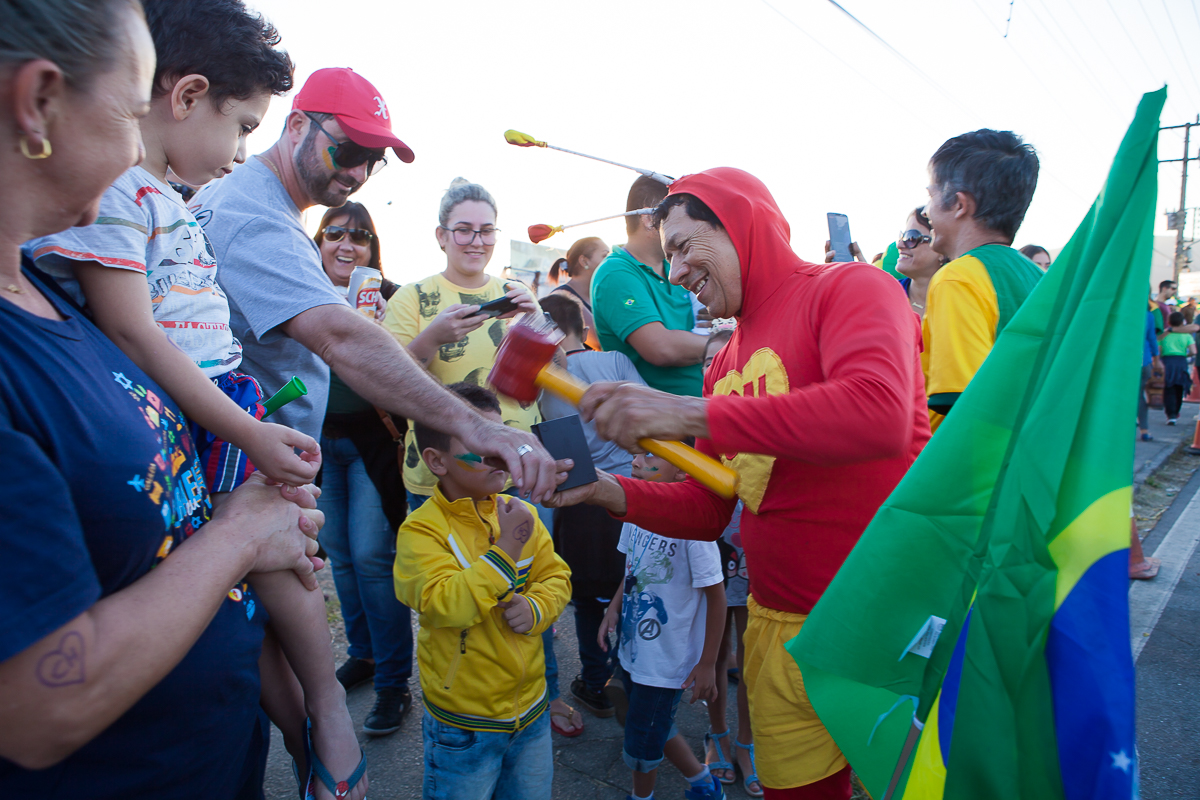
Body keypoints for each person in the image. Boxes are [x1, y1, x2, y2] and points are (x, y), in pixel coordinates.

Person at [25, 3, 367, 796]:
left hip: (217, 398)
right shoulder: (120, 195)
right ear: (186, 97)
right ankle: (322, 713)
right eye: (241, 127)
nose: (242, 152)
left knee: (266, 573)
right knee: (277, 557)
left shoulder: (163, 197)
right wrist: (248, 430)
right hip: (201, 405)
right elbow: (137, 334)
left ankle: (310, 724)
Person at [548, 167, 931, 799]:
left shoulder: (852, 286)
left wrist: (687, 413)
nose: (675, 272)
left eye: (682, 246)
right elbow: (709, 505)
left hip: (887, 619)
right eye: (667, 255)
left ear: (740, 223)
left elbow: (879, 414)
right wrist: (601, 492)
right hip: (776, 627)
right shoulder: (723, 359)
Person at [190, 67, 560, 509]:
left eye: (373, 160)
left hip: (251, 463)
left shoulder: (242, 198)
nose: (358, 172)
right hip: (239, 473)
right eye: (349, 150)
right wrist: (476, 425)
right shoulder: (258, 219)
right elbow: (340, 337)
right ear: (297, 125)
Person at [393, 383, 571, 800]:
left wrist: (537, 608)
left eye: (502, 439)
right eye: (482, 446)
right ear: (436, 461)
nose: (501, 456)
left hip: (532, 711)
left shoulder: (520, 515)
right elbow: (443, 604)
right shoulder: (420, 532)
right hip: (464, 725)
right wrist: (507, 548)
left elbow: (557, 577)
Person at [313, 202, 416, 737]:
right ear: (317, 241)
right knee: (342, 555)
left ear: (373, 249)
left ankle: (395, 681)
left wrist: (380, 329)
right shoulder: (299, 289)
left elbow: (411, 367)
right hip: (319, 443)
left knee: (374, 555)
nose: (346, 245)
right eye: (334, 234)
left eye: (359, 237)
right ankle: (365, 655)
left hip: (374, 442)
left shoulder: (391, 297)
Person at [381, 178, 541, 511]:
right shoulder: (412, 297)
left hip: (518, 469)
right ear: (442, 236)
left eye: (487, 231)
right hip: (443, 478)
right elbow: (387, 381)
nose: (477, 242)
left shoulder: (514, 293)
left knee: (527, 547)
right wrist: (434, 337)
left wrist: (538, 322)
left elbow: (555, 372)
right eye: (464, 230)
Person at [538, 294, 644, 727]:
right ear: (583, 329)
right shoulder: (615, 361)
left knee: (586, 600)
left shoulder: (542, 380)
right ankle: (633, 679)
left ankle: (596, 682)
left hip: (578, 498)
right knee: (631, 590)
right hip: (629, 494)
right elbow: (645, 411)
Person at [598, 449, 727, 800]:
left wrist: (708, 663)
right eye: (635, 453)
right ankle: (702, 782)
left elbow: (717, 599)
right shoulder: (635, 513)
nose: (636, 462)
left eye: (650, 455)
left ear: (683, 473)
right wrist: (613, 609)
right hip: (633, 649)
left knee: (641, 745)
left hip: (665, 662)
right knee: (652, 725)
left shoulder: (694, 530)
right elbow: (632, 570)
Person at [921, 129, 1043, 432]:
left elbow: (963, 409)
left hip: (967, 459)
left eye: (931, 196)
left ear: (959, 205)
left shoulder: (957, 278)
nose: (926, 211)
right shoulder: (1039, 278)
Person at [697, 331, 761, 798]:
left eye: (720, 361)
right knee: (717, 653)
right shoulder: (696, 424)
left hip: (753, 557)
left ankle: (746, 743)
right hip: (712, 557)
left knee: (751, 655)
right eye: (706, 361)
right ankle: (717, 735)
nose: (713, 369)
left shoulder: (760, 419)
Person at [592, 175, 708, 397]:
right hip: (665, 416)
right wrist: (724, 345)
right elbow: (661, 348)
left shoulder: (673, 266)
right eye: (677, 215)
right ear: (649, 218)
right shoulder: (615, 273)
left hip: (702, 407)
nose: (686, 226)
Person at [549, 236, 608, 350]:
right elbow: (602, 343)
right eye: (605, 256)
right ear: (584, 261)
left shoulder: (598, 295)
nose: (610, 261)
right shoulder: (563, 298)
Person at [894, 207, 945, 318]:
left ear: (941, 249)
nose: (899, 245)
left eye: (911, 238)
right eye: (901, 237)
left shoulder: (959, 298)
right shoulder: (888, 295)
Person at [1160, 311, 1195, 424]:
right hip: (1181, 362)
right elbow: (1193, 351)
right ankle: (1176, 412)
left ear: (1169, 322)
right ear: (1182, 322)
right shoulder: (1186, 335)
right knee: (1179, 388)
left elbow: (1159, 350)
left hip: (1167, 362)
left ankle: (1170, 414)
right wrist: (1185, 355)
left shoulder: (1164, 334)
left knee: (1168, 388)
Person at [1140, 307, 1162, 441]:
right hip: (1144, 361)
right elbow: (1152, 339)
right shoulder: (1148, 315)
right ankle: (1144, 430)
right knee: (1139, 396)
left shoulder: (1121, 309)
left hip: (1122, 363)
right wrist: (1157, 360)